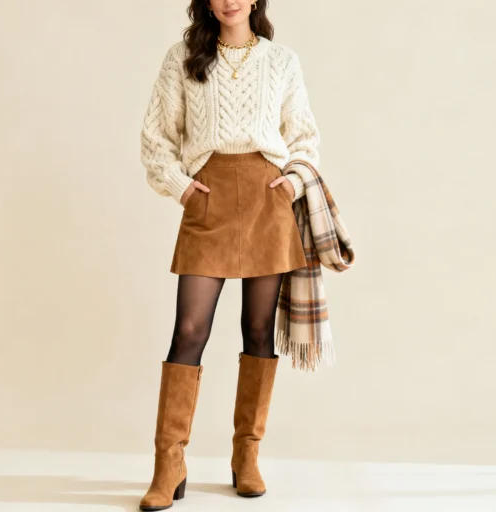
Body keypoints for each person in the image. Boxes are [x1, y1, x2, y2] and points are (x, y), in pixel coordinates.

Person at [138, 0, 320, 509]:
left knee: (258, 331)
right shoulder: (182, 57)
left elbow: (305, 138)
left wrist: (292, 183)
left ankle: (247, 455)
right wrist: (182, 187)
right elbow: (156, 137)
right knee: (189, 330)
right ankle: (168, 463)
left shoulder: (281, 60)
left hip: (267, 200)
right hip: (209, 197)